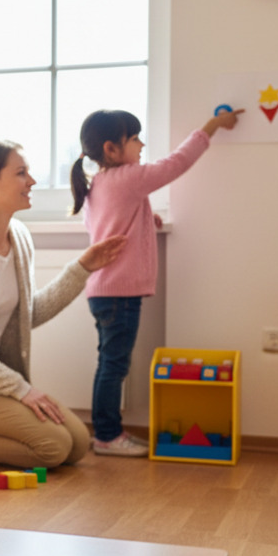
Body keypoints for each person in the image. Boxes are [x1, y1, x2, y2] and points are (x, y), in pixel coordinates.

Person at [0, 140, 126, 469]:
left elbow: (28, 314)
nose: (32, 181)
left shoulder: (19, 236)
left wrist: (82, 268)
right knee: (54, 447)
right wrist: (21, 389)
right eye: (21, 173)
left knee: (77, 443)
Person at [70, 108, 241, 457]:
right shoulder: (128, 178)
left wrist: (147, 219)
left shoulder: (100, 184)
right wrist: (211, 126)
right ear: (111, 149)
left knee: (110, 363)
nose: (142, 145)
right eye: (135, 139)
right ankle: (107, 435)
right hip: (120, 293)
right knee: (114, 365)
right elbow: (177, 163)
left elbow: (112, 223)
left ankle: (107, 431)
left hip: (105, 291)